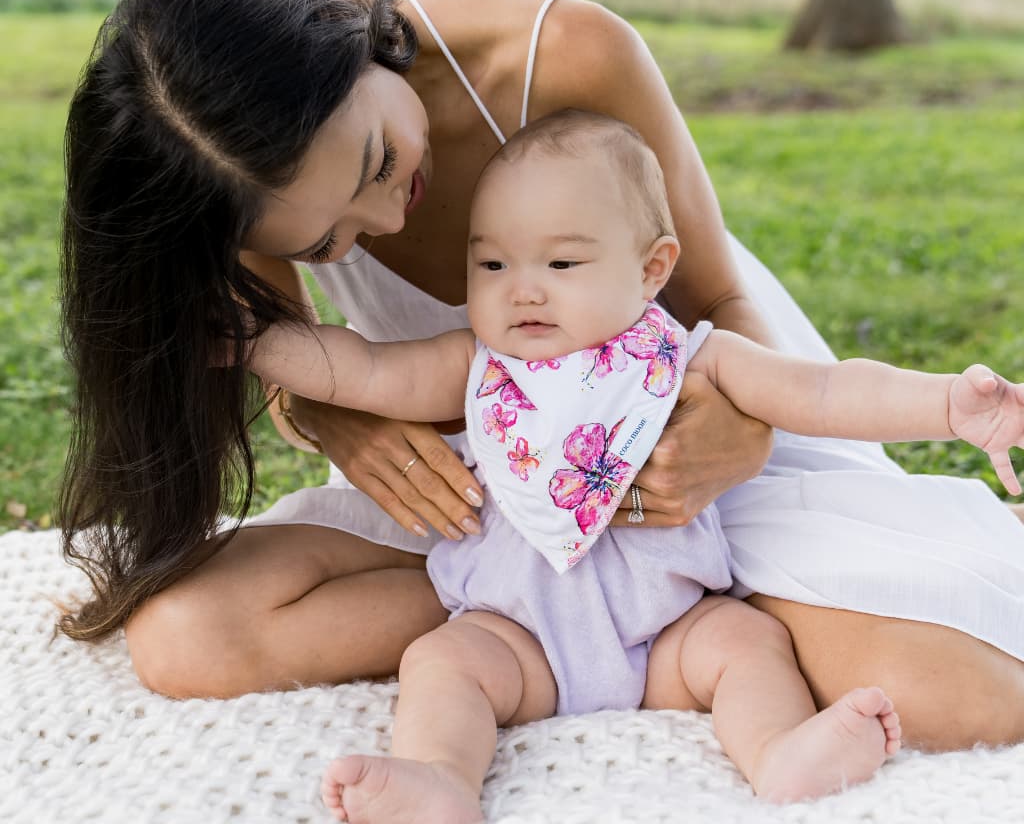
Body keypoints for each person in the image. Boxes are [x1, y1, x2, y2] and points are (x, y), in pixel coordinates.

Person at [58, 0, 1024, 756]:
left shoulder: (557, 55)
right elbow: (300, 362)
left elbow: (719, 302)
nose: (386, 220)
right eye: (328, 244)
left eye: (376, 166)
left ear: (337, 43)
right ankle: (549, 634)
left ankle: (698, 619)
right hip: (488, 505)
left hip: (687, 455)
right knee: (188, 633)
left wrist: (739, 436)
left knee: (950, 697)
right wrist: (336, 418)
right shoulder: (233, 177)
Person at [244, 110, 1021, 818]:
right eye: (492, 267)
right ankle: (441, 779)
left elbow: (825, 390)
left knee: (747, 646)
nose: (524, 292)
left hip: (671, 630)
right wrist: (251, 339)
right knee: (441, 663)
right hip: (516, 637)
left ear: (652, 270)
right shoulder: (475, 367)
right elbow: (359, 370)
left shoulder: (690, 360)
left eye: (562, 265)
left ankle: (779, 752)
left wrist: (952, 405)